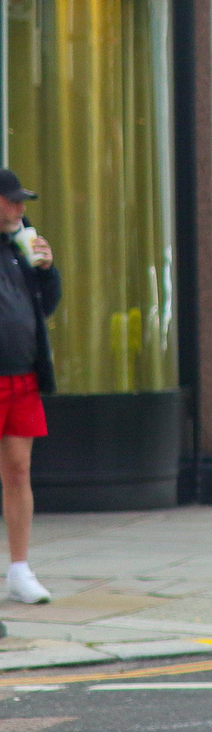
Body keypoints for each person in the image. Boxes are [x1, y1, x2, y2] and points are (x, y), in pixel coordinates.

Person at [0, 170, 58, 605]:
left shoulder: (21, 247)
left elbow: (46, 305)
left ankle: (19, 569)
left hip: (22, 374)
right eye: (12, 201)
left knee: (19, 470)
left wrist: (48, 270)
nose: (20, 208)